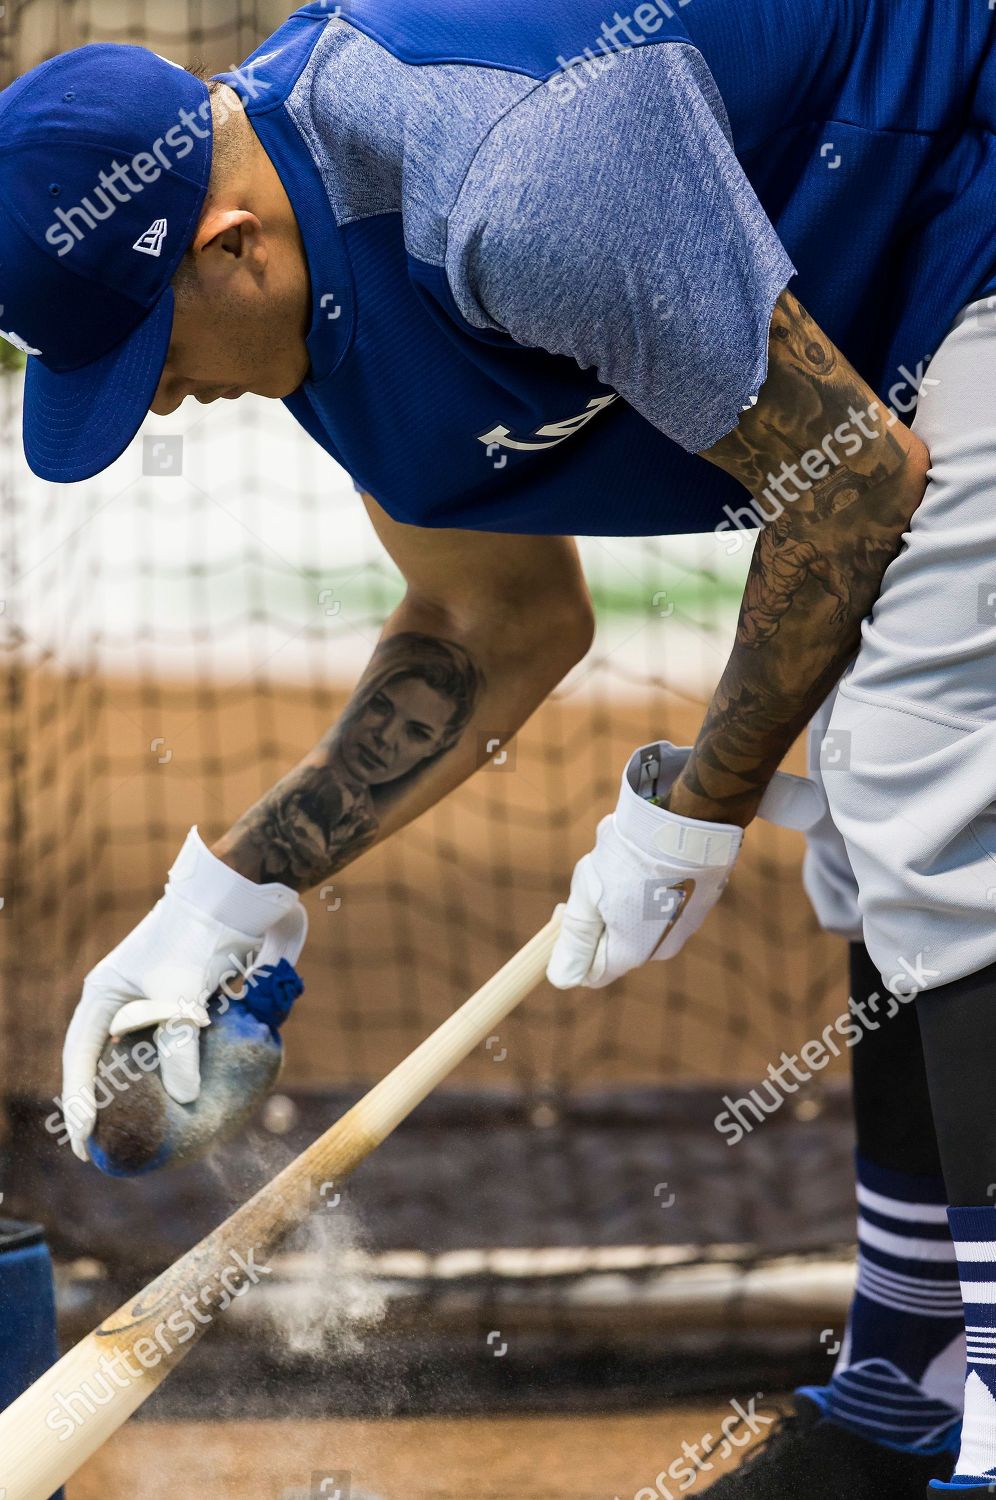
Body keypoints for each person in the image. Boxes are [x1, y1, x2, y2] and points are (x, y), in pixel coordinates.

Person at [3, 2, 996, 1492]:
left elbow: (850, 487)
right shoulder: (299, 274)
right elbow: (491, 615)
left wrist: (696, 809)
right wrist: (225, 900)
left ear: (229, 248)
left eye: (146, 352)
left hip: (970, 207)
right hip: (883, 320)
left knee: (931, 769)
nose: (151, 400)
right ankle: (902, 1392)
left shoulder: (507, 176)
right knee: (874, 801)